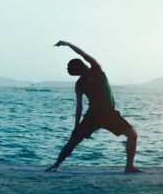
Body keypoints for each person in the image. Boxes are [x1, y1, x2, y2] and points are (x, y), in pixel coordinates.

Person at [46, 41, 140, 173]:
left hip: (109, 114)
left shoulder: (96, 70)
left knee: (132, 135)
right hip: (93, 116)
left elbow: (83, 54)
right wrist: (76, 127)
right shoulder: (79, 84)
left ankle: (129, 166)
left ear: (78, 67)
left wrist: (67, 44)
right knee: (73, 141)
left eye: (70, 69)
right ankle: (56, 165)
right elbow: (79, 106)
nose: (68, 71)